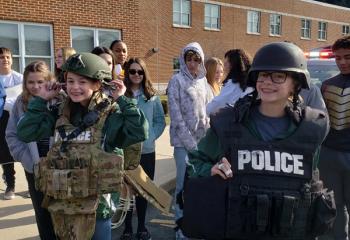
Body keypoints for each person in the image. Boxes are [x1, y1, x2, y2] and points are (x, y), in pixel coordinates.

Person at [182, 42, 334, 240]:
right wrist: (211, 169)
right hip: (238, 230)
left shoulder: (312, 128)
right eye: (262, 75)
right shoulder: (229, 122)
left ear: (296, 84)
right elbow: (195, 161)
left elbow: (313, 186)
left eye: (278, 76)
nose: (267, 82)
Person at [16, 53, 148, 240]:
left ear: (97, 84)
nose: (74, 87)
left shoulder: (109, 115)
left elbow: (139, 131)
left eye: (82, 82)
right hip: (63, 203)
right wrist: (41, 99)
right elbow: (25, 132)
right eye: (70, 81)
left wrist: (122, 100)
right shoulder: (60, 113)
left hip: (97, 208)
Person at [5, 61, 57, 239]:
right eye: (31, 82)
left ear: (48, 80)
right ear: (25, 83)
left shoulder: (60, 98)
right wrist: (29, 162)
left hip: (59, 166)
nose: (35, 86)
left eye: (40, 82)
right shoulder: (20, 102)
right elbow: (11, 135)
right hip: (34, 167)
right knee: (42, 213)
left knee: (61, 212)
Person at [167, 42, 211, 240]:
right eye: (189, 59)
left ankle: (195, 224)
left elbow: (209, 111)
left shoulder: (203, 82)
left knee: (199, 186)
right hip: (183, 145)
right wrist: (191, 145)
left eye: (196, 60)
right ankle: (180, 227)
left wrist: (206, 142)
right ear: (183, 60)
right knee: (182, 187)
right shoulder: (176, 81)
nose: (192, 64)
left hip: (202, 144)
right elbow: (175, 118)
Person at [121, 57, 166, 240]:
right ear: (127, 73)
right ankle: (127, 228)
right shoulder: (121, 95)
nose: (136, 75)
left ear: (144, 73)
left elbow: (160, 121)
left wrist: (150, 137)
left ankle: (141, 227)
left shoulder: (152, 97)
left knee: (143, 192)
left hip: (146, 151)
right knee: (126, 192)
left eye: (140, 71)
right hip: (125, 151)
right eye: (132, 71)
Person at [320, 35, 350, 240]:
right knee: (333, 207)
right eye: (338, 58)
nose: (342, 62)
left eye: (347, 57)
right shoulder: (327, 85)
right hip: (329, 155)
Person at [0, 47, 23, 200]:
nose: (5, 60)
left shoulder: (20, 78)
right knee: (4, 152)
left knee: (23, 149)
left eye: (8, 57)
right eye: (1, 57)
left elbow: (23, 97)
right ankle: (10, 185)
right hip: (1, 120)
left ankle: (32, 182)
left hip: (17, 118)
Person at [206, 49, 254, 115]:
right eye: (216, 72)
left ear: (234, 64)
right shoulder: (251, 82)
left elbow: (214, 106)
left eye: (228, 61)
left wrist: (206, 110)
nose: (225, 65)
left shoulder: (233, 84)